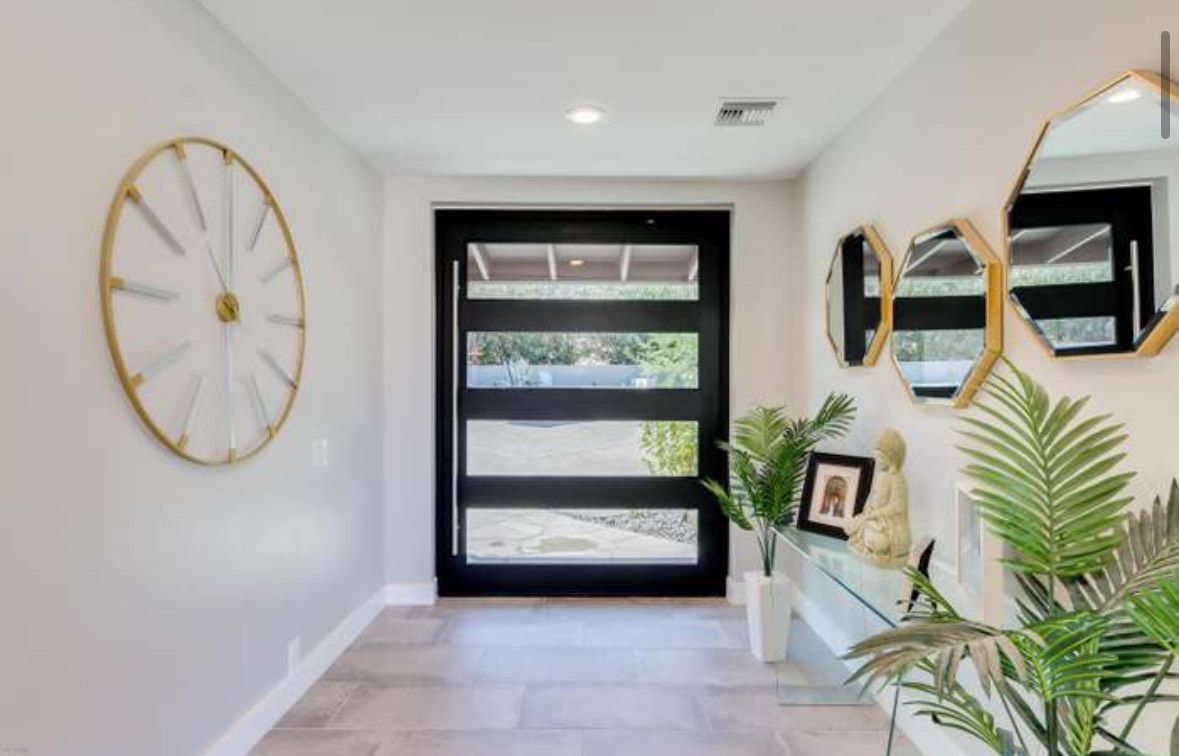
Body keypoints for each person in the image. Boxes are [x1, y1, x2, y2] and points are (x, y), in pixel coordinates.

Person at [844, 429, 911, 563]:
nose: (877, 461)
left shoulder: (896, 479)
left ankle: (875, 544)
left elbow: (897, 507)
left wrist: (875, 514)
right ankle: (866, 537)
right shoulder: (881, 475)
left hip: (888, 524)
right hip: (872, 518)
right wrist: (867, 511)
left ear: (892, 458)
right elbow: (872, 495)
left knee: (878, 541)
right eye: (876, 457)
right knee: (849, 526)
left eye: (880, 458)